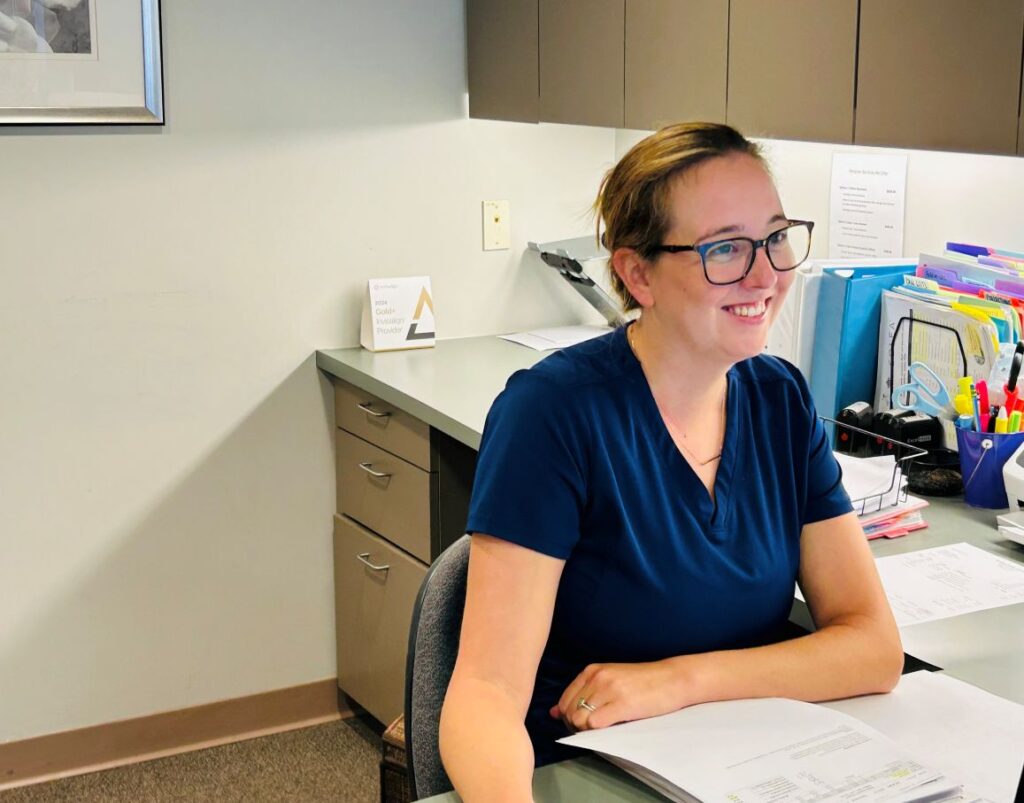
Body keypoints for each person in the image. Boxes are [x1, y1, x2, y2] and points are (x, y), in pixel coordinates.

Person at [439, 122, 903, 802]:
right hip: (586, 773)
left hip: (748, 765)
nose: (766, 274)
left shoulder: (780, 401)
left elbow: (872, 645)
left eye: (775, 239)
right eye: (724, 249)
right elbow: (485, 691)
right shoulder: (554, 414)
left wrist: (678, 680)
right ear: (636, 273)